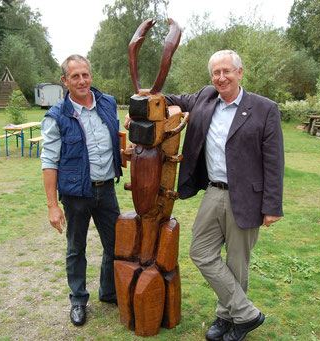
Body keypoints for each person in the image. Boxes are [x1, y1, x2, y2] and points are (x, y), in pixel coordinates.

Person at [125, 50, 283, 340]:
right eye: (216, 73)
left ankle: (228, 319)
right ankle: (246, 314)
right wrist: (138, 111)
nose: (221, 78)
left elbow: (274, 161)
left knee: (237, 263)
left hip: (247, 196)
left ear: (240, 72)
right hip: (214, 191)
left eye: (227, 71)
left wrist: (271, 206)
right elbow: (168, 99)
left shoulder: (264, 108)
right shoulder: (205, 98)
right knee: (200, 252)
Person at [41, 54, 123, 327]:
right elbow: (50, 162)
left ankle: (108, 292)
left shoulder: (108, 103)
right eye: (74, 76)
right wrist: (53, 206)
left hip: (107, 189)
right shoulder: (57, 116)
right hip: (76, 194)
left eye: (85, 74)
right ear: (64, 81)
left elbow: (115, 139)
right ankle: (78, 299)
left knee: (115, 245)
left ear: (91, 76)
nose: (81, 81)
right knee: (76, 248)